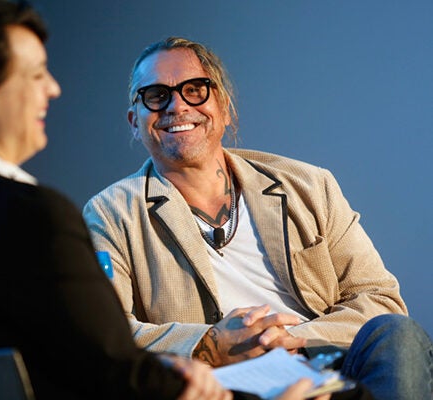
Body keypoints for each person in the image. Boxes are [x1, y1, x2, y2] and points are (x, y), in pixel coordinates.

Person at [0, 2, 333, 399]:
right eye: (37, 74)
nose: (53, 89)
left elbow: (85, 358)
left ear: (225, 106)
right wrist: (206, 375)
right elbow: (112, 369)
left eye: (195, 90)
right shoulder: (37, 216)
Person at [82, 36, 433, 400]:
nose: (177, 105)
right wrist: (210, 344)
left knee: (396, 334)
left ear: (224, 107)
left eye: (195, 90)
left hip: (329, 368)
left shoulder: (309, 185)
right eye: (156, 96)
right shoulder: (111, 214)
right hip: (223, 386)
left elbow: (379, 298)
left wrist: (292, 340)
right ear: (134, 122)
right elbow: (106, 334)